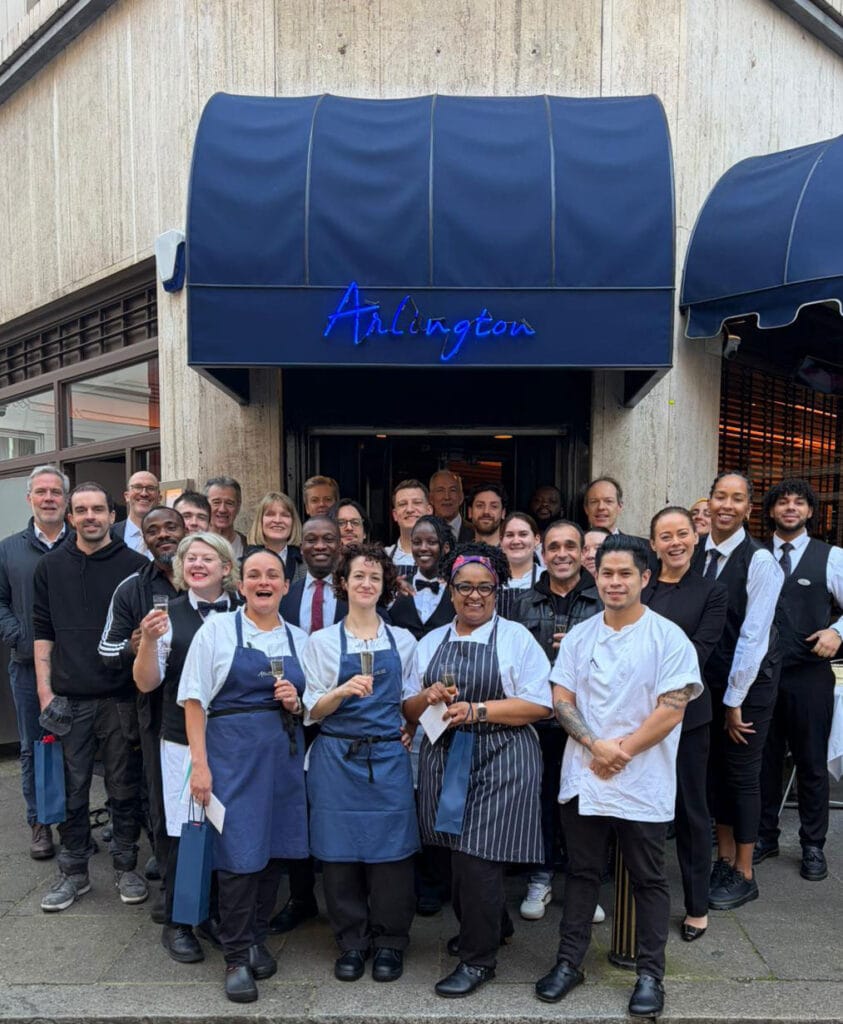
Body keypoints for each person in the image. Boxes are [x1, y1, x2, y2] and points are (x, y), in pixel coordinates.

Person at [535, 535, 702, 1018]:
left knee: (648, 878)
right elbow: (561, 698)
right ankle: (569, 962)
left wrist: (620, 752)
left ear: (644, 578)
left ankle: (650, 974)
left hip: (642, 775)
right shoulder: (581, 635)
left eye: (625, 573)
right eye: (606, 573)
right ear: (597, 577)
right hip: (585, 772)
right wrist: (596, 746)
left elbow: (671, 709)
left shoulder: (668, 637)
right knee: (581, 873)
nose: (614, 582)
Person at [404, 543, 551, 998]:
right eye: (464, 587)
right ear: (451, 591)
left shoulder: (516, 638)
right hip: (446, 755)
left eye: (484, 587)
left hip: (503, 754)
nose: (474, 595)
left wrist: (478, 709)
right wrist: (426, 698)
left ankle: (477, 959)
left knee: (477, 857)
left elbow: (540, 705)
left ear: (496, 592)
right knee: (454, 853)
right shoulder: (431, 641)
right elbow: (408, 709)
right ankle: (493, 925)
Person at [179, 547, 310, 1003]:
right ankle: (235, 957)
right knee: (238, 857)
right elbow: (193, 700)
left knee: (273, 851)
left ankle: (256, 937)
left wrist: (296, 702)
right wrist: (200, 765)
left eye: (272, 575)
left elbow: (312, 706)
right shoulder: (217, 630)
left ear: (285, 586)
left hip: (282, 759)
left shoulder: (299, 639)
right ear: (241, 585)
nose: (263, 582)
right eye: (254, 574)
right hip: (232, 758)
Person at [303, 543, 418, 984]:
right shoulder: (322, 642)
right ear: (343, 583)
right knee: (339, 856)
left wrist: (413, 726)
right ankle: (351, 941)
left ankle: (390, 941)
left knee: (393, 856)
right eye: (358, 576)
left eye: (375, 577)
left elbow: (410, 701)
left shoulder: (402, 641)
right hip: (336, 757)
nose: (366, 584)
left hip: (388, 757)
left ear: (384, 585)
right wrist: (341, 691)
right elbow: (312, 710)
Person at [33, 483, 149, 912]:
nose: (90, 517)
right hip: (69, 699)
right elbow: (42, 629)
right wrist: (45, 692)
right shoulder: (49, 567)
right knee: (71, 791)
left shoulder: (136, 566)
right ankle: (73, 873)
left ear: (112, 515)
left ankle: (126, 866)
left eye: (98, 509)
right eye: (81, 510)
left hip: (120, 698)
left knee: (124, 787)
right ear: (70, 517)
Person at [133, 532, 240, 963]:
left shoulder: (245, 611)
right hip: (181, 741)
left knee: (225, 830)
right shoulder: (167, 616)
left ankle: (211, 913)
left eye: (206, 558)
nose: (196, 564)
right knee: (186, 832)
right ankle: (179, 923)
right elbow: (146, 683)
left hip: (234, 742)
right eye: (190, 558)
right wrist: (146, 641)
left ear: (226, 568)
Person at [691, 472, 783, 911]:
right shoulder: (696, 552)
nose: (727, 505)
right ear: (709, 502)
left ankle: (745, 872)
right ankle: (724, 860)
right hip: (708, 681)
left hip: (748, 685)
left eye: (737, 499)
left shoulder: (760, 561)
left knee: (742, 774)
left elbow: (753, 638)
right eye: (720, 496)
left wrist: (734, 701)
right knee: (715, 772)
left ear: (748, 508)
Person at [643, 506, 728, 940]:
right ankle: (639, 896)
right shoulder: (641, 586)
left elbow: (699, 652)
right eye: (665, 536)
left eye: (682, 534)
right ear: (653, 543)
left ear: (696, 538)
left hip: (687, 714)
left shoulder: (712, 591)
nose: (675, 543)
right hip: (635, 713)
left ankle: (697, 905)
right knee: (638, 809)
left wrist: (642, 663)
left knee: (691, 810)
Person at [98, 506, 186, 921]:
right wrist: (133, 647)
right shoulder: (132, 588)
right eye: (153, 530)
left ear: (186, 529)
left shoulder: (208, 578)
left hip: (216, 716)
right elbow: (106, 649)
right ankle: (173, 893)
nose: (163, 535)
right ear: (144, 538)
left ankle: (218, 892)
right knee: (165, 806)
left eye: (171, 527)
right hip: (157, 714)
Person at [511, 520, 601, 922]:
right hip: (540, 720)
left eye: (570, 546)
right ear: (542, 553)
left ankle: (585, 886)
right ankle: (541, 876)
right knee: (543, 800)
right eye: (553, 547)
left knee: (586, 805)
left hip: (589, 721)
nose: (561, 554)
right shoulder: (522, 603)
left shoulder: (603, 599)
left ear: (582, 552)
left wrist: (583, 649)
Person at [757, 479, 843, 881]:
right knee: (763, 762)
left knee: (810, 763)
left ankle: (812, 845)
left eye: (799, 503)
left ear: (810, 511)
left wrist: (838, 632)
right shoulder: (753, 555)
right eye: (782, 502)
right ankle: (764, 836)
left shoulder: (832, 557)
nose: (790, 508)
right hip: (761, 676)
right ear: (771, 511)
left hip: (809, 676)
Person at [270, 514, 345, 935]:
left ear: (340, 545)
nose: (319, 545)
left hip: (345, 716)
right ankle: (301, 897)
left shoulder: (356, 591)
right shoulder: (287, 593)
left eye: (328, 539)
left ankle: (347, 897)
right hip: (295, 715)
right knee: (297, 806)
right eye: (311, 539)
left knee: (336, 807)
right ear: (302, 547)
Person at [0, 465, 69, 859]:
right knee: (34, 748)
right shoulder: (8, 549)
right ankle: (40, 822)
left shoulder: (82, 543)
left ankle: (73, 824)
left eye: (55, 492)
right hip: (27, 666)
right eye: (41, 492)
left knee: (76, 748)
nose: (48, 498)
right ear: (30, 499)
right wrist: (18, 635)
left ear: (65, 499)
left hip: (74, 667)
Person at [389, 516, 456, 640]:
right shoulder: (396, 588)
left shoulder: (456, 590)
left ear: (446, 547)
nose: (423, 548)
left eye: (431, 542)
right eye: (417, 542)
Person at [247, 491, 303, 582]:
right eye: (270, 514)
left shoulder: (306, 563)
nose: (277, 520)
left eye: (285, 515)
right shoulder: (243, 562)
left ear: (293, 522)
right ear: (260, 521)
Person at [387, 479, 433, 572]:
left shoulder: (445, 555)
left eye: (417, 502)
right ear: (395, 515)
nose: (409, 509)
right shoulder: (384, 556)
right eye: (402, 504)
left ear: (429, 510)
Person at [113, 471, 160, 556]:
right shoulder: (110, 535)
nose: (144, 493)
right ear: (127, 496)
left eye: (150, 488)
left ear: (159, 497)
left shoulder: (169, 535)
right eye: (137, 487)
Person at [204, 476, 247, 559]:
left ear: (238, 506)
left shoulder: (248, 547)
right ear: (205, 505)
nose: (222, 509)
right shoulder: (194, 545)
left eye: (229, 503)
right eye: (216, 502)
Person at [429, 470, 473, 543]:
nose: (447, 497)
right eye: (440, 490)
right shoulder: (421, 532)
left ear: (461, 497)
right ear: (431, 498)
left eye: (453, 490)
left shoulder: (476, 533)